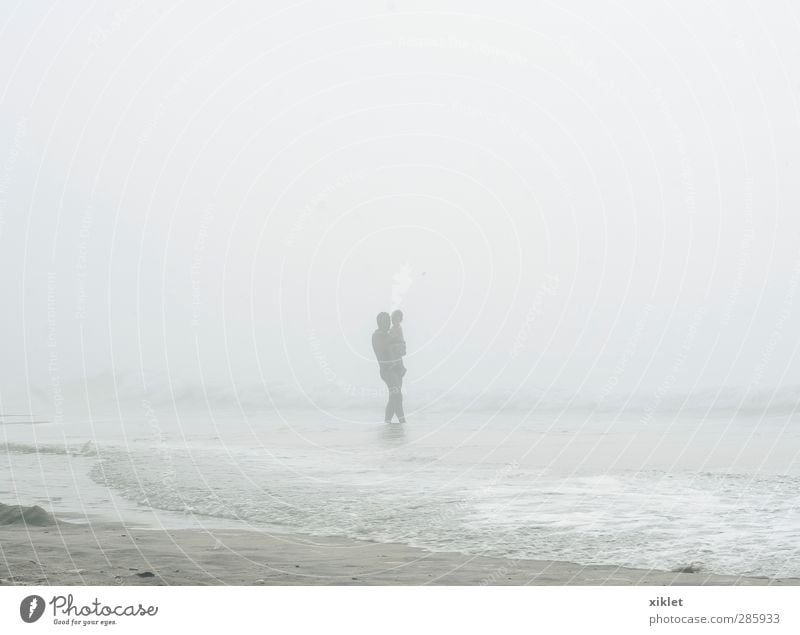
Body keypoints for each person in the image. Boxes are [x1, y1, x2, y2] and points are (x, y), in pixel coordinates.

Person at [372, 311, 406, 423]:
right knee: (397, 396)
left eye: (388, 321)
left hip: (397, 369)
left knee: (395, 397)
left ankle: (388, 422)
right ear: (379, 323)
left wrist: (398, 343)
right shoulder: (377, 336)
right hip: (387, 371)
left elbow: (403, 349)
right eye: (385, 321)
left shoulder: (391, 334)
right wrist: (395, 342)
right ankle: (402, 422)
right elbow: (384, 348)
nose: (388, 324)